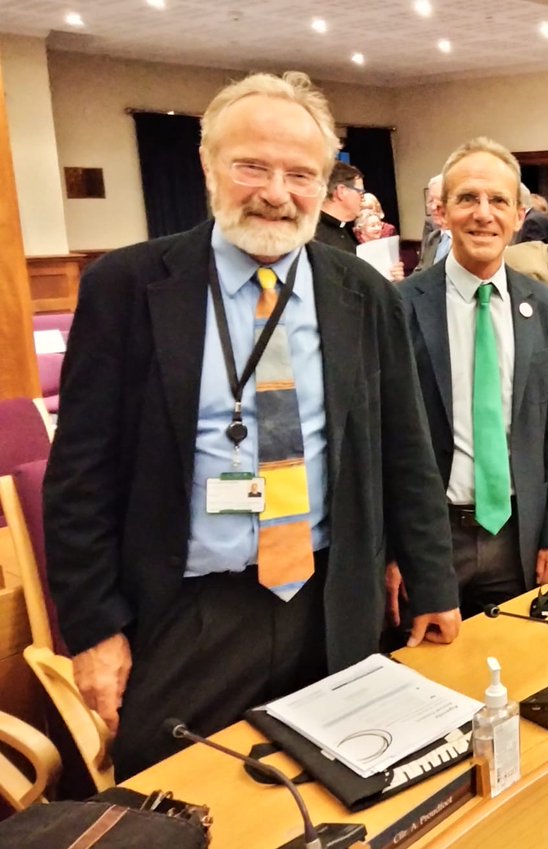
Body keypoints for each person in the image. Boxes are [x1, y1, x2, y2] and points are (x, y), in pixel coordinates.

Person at [43, 71, 460, 780]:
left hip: (333, 602)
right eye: (252, 166)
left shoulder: (363, 293)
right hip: (190, 615)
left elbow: (405, 451)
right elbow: (80, 476)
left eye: (301, 173)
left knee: (342, 799)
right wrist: (93, 628)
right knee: (187, 799)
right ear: (207, 168)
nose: (276, 191)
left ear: (325, 183)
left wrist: (434, 581)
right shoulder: (128, 286)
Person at [397, 138, 548, 616]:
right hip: (432, 542)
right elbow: (384, 442)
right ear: (441, 213)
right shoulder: (399, 306)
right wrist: (391, 550)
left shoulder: (544, 307)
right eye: (468, 199)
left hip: (519, 538)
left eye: (498, 200)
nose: (484, 213)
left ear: (519, 217)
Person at [313, 161, 364, 253]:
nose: (362, 198)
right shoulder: (314, 236)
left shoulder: (344, 228)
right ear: (341, 191)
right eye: (360, 192)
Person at [415, 173, 450, 273]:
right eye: (430, 201)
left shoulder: (467, 240)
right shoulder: (431, 238)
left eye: (439, 201)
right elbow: (420, 273)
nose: (434, 207)